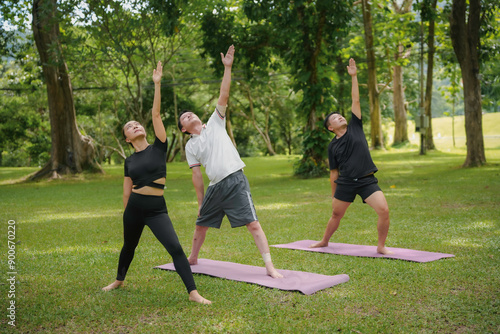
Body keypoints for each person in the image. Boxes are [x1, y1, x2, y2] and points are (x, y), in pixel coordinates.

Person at [102, 61, 211, 304]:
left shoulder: (159, 147)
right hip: (134, 209)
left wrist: (157, 84)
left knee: (175, 248)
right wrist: (128, 212)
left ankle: (193, 293)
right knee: (128, 247)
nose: (136, 126)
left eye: (137, 124)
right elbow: (126, 193)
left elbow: (156, 114)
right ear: (128, 139)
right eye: (130, 127)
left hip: (156, 209)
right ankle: (119, 280)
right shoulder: (129, 161)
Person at [177, 45, 283, 278]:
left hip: (235, 180)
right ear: (184, 129)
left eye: (191, 113)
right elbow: (196, 175)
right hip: (215, 187)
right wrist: (200, 202)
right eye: (185, 117)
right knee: (200, 225)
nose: (190, 115)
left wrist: (228, 68)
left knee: (253, 224)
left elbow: (224, 94)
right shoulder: (190, 146)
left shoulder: (215, 122)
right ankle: (192, 257)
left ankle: (269, 267)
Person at [310, 58, 392, 255]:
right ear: (331, 128)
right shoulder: (333, 146)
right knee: (336, 214)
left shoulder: (355, 126)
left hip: (366, 180)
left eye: (340, 115)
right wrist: (333, 194)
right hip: (346, 182)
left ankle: (381, 246)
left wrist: (354, 77)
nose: (340, 116)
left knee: (384, 211)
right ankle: (324, 241)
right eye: (335, 118)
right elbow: (333, 172)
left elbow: (355, 100)